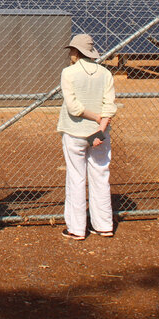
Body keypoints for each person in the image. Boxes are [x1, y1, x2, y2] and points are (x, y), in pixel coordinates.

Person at [57, 33, 117, 240]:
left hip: (75, 132)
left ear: (76, 52)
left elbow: (74, 108)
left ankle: (77, 228)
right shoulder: (106, 73)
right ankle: (103, 225)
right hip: (101, 134)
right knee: (101, 176)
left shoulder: (69, 73)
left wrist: (92, 116)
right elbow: (109, 105)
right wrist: (100, 128)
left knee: (76, 177)